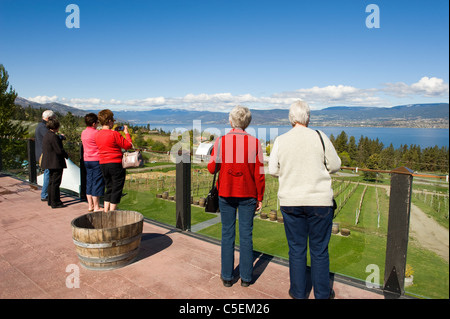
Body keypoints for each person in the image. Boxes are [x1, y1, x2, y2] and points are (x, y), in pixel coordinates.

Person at [268, 100, 341, 299]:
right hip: (319, 202)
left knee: (296, 249)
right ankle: (322, 293)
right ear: (308, 117)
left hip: (291, 201)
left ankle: (298, 292)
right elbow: (335, 164)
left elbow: (273, 170)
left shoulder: (281, 140)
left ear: (291, 119)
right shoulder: (320, 136)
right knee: (319, 250)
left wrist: (290, 172)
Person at [207, 105, 265, 288]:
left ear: (231, 121)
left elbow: (211, 169)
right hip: (248, 194)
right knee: (246, 235)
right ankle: (246, 278)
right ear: (247, 123)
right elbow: (260, 173)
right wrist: (260, 197)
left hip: (226, 192)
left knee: (227, 234)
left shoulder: (221, 141)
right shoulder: (255, 143)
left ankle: (227, 277)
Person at [95, 109, 132, 212]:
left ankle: (106, 210)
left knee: (109, 187)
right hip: (115, 163)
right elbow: (128, 145)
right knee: (117, 188)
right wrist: (126, 134)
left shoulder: (97, 134)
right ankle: (112, 213)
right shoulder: (114, 134)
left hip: (103, 164)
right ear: (109, 121)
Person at [41, 117, 69, 209]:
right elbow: (59, 150)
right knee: (56, 183)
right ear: (56, 127)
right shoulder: (54, 137)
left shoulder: (47, 135)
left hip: (49, 162)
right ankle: (55, 202)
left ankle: (50, 200)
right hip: (55, 162)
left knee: (51, 182)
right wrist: (66, 154)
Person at [81, 113, 104, 212]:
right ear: (94, 123)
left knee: (89, 182)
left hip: (86, 159)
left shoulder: (83, 132)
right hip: (96, 159)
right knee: (97, 182)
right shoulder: (97, 133)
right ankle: (97, 206)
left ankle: (90, 205)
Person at [35, 110, 54, 201]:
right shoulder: (43, 127)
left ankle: (46, 193)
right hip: (45, 154)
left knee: (47, 173)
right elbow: (50, 138)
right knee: (48, 173)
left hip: (42, 153)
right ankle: (45, 194)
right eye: (53, 118)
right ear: (49, 118)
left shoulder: (40, 126)